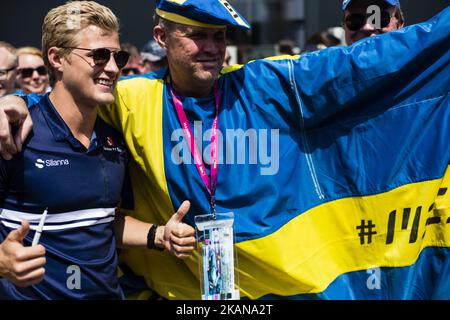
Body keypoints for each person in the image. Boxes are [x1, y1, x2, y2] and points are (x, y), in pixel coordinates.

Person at [0, 0, 449, 300]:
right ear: (161, 36)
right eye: (197, 35)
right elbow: (66, 101)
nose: (212, 48)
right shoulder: (132, 98)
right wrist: (20, 101)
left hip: (263, 296)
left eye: (220, 35)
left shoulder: (264, 85)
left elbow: (358, 66)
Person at [0, 1, 195, 300]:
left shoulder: (113, 140)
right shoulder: (15, 131)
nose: (114, 68)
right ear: (57, 58)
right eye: (99, 56)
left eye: (119, 56)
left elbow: (102, 220)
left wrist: (159, 235)